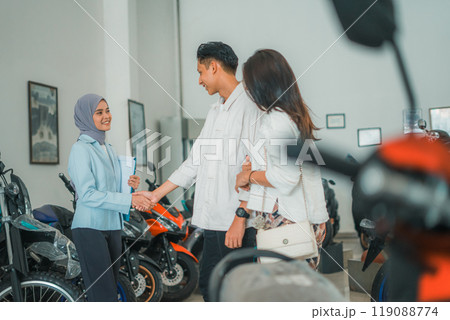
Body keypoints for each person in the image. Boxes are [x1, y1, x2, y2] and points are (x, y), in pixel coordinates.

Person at [142, 42, 262, 301]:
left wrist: (241, 217)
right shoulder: (216, 110)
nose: (199, 80)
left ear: (214, 66)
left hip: (234, 222)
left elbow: (256, 167)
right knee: (210, 288)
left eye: (200, 72)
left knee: (240, 295)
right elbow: (194, 162)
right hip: (213, 222)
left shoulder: (250, 106)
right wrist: (155, 195)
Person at [235, 49, 329, 269]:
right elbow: (309, 172)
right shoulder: (295, 115)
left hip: (286, 221)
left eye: (248, 82)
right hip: (303, 217)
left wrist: (246, 176)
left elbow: (285, 179)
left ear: (262, 84)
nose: (246, 89)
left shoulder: (276, 121)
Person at [68, 93, 152, 301]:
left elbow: (110, 190)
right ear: (86, 117)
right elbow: (87, 194)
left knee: (110, 292)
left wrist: (129, 187)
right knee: (102, 296)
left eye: (107, 110)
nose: (106, 116)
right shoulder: (80, 149)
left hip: (112, 226)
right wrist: (129, 200)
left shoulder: (109, 148)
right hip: (90, 227)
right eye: (99, 112)